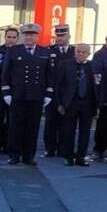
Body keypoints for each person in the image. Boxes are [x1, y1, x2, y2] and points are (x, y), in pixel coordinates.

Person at [2, 23, 55, 166]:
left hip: (36, 96)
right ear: (23, 36)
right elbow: (6, 73)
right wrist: (6, 92)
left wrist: (48, 94)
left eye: (32, 35)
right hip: (18, 95)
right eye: (27, 35)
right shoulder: (13, 51)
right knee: (15, 127)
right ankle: (14, 155)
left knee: (33, 127)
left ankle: (29, 156)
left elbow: (50, 75)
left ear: (37, 36)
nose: (29, 37)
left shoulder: (45, 52)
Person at [55, 43, 98, 167]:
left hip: (87, 103)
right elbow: (58, 85)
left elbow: (95, 86)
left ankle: (81, 157)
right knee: (68, 131)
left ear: (88, 54)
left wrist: (97, 105)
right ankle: (68, 156)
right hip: (70, 103)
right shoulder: (65, 64)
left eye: (84, 52)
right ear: (74, 52)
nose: (80, 54)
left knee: (85, 132)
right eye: (78, 51)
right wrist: (59, 104)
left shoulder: (91, 66)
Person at [44, 24, 75, 157]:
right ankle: (50, 148)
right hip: (52, 90)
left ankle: (64, 149)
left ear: (69, 36)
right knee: (51, 120)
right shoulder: (49, 51)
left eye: (63, 36)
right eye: (58, 36)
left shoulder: (74, 51)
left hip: (68, 92)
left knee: (67, 122)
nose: (60, 38)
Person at [91, 31, 107, 162]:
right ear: (106, 40)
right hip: (104, 95)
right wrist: (100, 97)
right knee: (102, 125)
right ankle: (99, 149)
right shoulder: (100, 55)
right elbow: (96, 75)